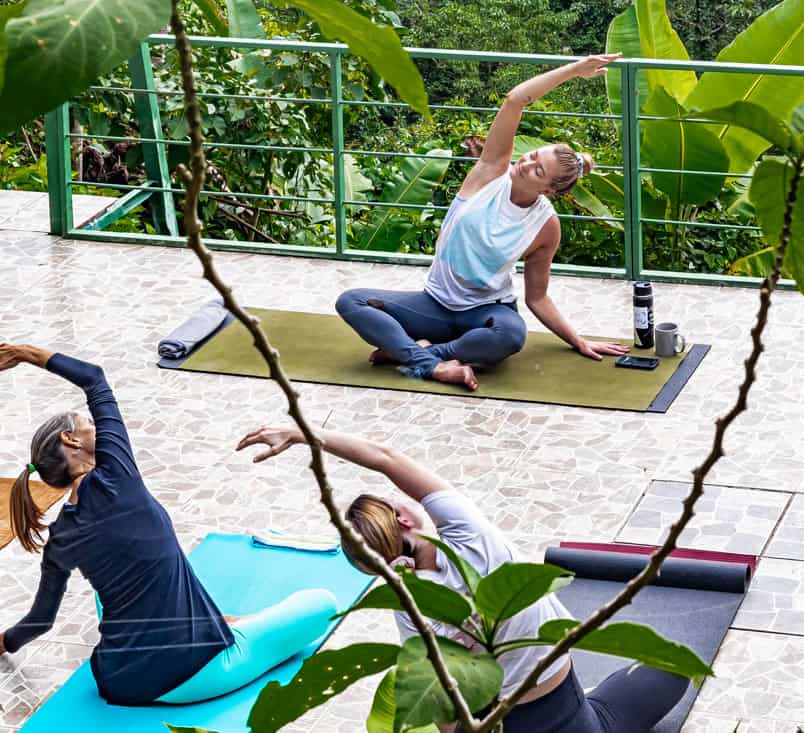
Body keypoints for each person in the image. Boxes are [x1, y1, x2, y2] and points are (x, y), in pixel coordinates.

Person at [236, 423, 689, 732]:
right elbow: (384, 456)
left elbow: (448, 713)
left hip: (502, 720)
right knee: (674, 671)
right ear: (404, 517)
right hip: (564, 717)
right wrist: (296, 433)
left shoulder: (412, 608)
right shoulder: (470, 535)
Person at [0, 343, 337, 706]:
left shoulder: (61, 536)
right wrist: (26, 354)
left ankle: (219, 620)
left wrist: (4, 643)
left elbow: (40, 621)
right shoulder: (117, 476)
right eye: (89, 426)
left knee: (111, 576)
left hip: (117, 681)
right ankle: (230, 626)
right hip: (200, 670)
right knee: (323, 603)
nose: (98, 427)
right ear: (72, 440)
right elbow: (94, 379)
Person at [335, 54, 630, 391]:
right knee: (351, 302)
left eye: (537, 169)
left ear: (549, 189)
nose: (525, 162)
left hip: (486, 313)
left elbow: (538, 298)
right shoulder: (489, 173)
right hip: (434, 305)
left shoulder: (545, 225)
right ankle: (434, 365)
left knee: (512, 335)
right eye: (532, 155)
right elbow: (516, 100)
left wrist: (578, 341)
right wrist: (575, 70)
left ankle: (418, 354)